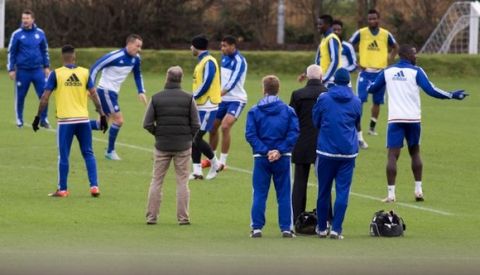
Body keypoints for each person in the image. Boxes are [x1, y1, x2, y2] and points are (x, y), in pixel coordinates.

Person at [368, 45, 468, 203]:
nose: (417, 56)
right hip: (413, 119)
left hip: (395, 120)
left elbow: (372, 88)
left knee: (393, 155)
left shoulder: (387, 71)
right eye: (414, 54)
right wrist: (451, 95)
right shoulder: (416, 71)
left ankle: (391, 194)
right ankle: (418, 190)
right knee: (415, 153)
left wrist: (367, 84)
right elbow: (431, 90)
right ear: (406, 55)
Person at [32, 45, 108, 197]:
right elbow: (94, 96)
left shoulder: (56, 74)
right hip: (83, 119)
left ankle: (63, 189)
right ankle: (94, 187)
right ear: (74, 57)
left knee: (64, 155)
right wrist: (102, 115)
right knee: (88, 153)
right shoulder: (85, 73)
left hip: (66, 121)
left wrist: (37, 117)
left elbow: (45, 97)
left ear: (62, 57)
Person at [143, 66, 200, 225]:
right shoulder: (189, 98)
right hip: (183, 147)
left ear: (166, 78)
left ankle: (151, 217)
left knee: (156, 181)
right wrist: (188, 138)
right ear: (181, 79)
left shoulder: (156, 98)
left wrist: (158, 133)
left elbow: (147, 123)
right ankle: (183, 218)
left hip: (162, 145)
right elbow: (196, 124)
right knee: (182, 182)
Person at [245, 75, 299, 238]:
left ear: (264, 89)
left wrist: (265, 150)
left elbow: (251, 134)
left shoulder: (254, 110)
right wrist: (278, 151)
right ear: (278, 89)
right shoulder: (288, 111)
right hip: (283, 157)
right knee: (284, 193)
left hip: (261, 158)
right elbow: (293, 132)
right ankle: (286, 228)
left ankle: (256, 228)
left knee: (260, 193)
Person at [312, 68, 362, 240]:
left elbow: (315, 120)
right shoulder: (356, 100)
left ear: (334, 81)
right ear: (348, 82)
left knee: (323, 191)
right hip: (348, 152)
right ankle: (336, 229)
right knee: (343, 191)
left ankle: (321, 228)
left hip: (326, 151)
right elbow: (357, 122)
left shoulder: (324, 98)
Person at [89, 34, 148, 160]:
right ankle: (110, 151)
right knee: (118, 120)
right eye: (137, 46)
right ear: (129, 44)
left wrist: (141, 91)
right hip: (105, 91)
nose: (139, 49)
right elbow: (95, 67)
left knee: (101, 125)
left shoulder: (136, 59)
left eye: (140, 47)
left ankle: (74, 126)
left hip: (113, 93)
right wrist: (90, 87)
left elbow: (138, 75)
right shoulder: (115, 56)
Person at [349, 9, 399, 139]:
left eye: (374, 18)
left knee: (377, 102)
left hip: (380, 73)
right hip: (365, 73)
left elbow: (396, 46)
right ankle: (357, 128)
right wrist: (354, 62)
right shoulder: (361, 33)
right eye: (369, 19)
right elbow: (348, 46)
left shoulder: (385, 34)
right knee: (360, 101)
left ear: (378, 19)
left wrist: (390, 60)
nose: (372, 21)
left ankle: (372, 128)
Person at [202, 35, 248, 171]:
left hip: (237, 99)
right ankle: (212, 160)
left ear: (233, 46)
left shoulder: (240, 61)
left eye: (225, 46)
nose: (222, 48)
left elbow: (232, 82)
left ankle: (222, 162)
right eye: (221, 46)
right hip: (223, 99)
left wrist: (217, 94)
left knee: (226, 126)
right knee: (212, 128)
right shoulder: (223, 58)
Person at [289, 64, 327, 221]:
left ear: (307, 76)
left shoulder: (298, 94)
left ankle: (297, 216)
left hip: (302, 142)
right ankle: (326, 216)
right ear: (321, 77)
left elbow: (291, 118)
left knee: (299, 181)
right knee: (324, 182)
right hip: (323, 143)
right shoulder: (327, 94)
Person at [7, 9, 50, 128]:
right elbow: (12, 52)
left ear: (32, 19)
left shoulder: (40, 33)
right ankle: (19, 120)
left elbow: (44, 50)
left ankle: (44, 119)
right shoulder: (17, 34)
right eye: (23, 18)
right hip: (22, 71)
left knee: (44, 96)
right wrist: (11, 69)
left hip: (38, 71)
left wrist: (46, 66)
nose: (25, 21)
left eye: (27, 18)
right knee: (20, 96)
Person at [189, 35, 222, 180]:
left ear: (196, 46)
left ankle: (215, 163)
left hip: (208, 105)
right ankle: (197, 171)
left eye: (191, 46)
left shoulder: (209, 61)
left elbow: (207, 82)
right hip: (200, 105)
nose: (190, 48)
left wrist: (194, 96)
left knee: (197, 137)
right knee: (194, 138)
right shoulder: (202, 61)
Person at [332, 19, 367, 149]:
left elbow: (354, 64)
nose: (336, 32)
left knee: (352, 109)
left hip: (345, 84)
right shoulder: (326, 45)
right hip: (329, 83)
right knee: (330, 110)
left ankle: (360, 138)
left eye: (338, 29)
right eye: (334, 29)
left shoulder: (347, 46)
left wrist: (342, 73)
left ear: (342, 31)